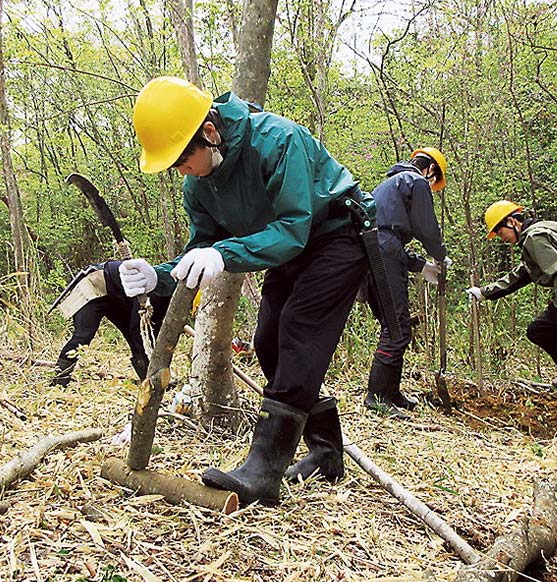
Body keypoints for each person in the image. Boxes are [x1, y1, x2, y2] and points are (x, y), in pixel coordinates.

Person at [118, 76, 373, 506]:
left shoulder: (277, 141)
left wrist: (225, 252)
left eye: (183, 159)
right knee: (267, 341)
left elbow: (293, 228)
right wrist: (158, 276)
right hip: (285, 250)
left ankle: (264, 470)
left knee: (297, 332)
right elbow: (200, 249)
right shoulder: (197, 187)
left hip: (336, 238)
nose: (181, 171)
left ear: (210, 133)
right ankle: (327, 453)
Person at [466, 201, 557, 446]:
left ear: (512, 222)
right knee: (539, 330)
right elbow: (523, 274)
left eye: (501, 232)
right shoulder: (536, 236)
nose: (502, 239)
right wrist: (485, 292)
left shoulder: (534, 237)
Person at [365, 147, 450, 413]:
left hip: (373, 253)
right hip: (384, 253)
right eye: (435, 182)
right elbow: (426, 227)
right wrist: (439, 256)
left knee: (395, 326)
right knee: (397, 328)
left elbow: (390, 238)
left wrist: (420, 265)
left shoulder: (388, 186)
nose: (432, 187)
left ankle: (391, 393)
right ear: (431, 170)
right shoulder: (415, 181)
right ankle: (377, 398)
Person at [51, 261, 170, 386]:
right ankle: (59, 380)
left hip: (118, 296)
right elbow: (143, 330)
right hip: (94, 284)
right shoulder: (158, 290)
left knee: (134, 337)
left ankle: (150, 381)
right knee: (83, 335)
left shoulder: (166, 296)